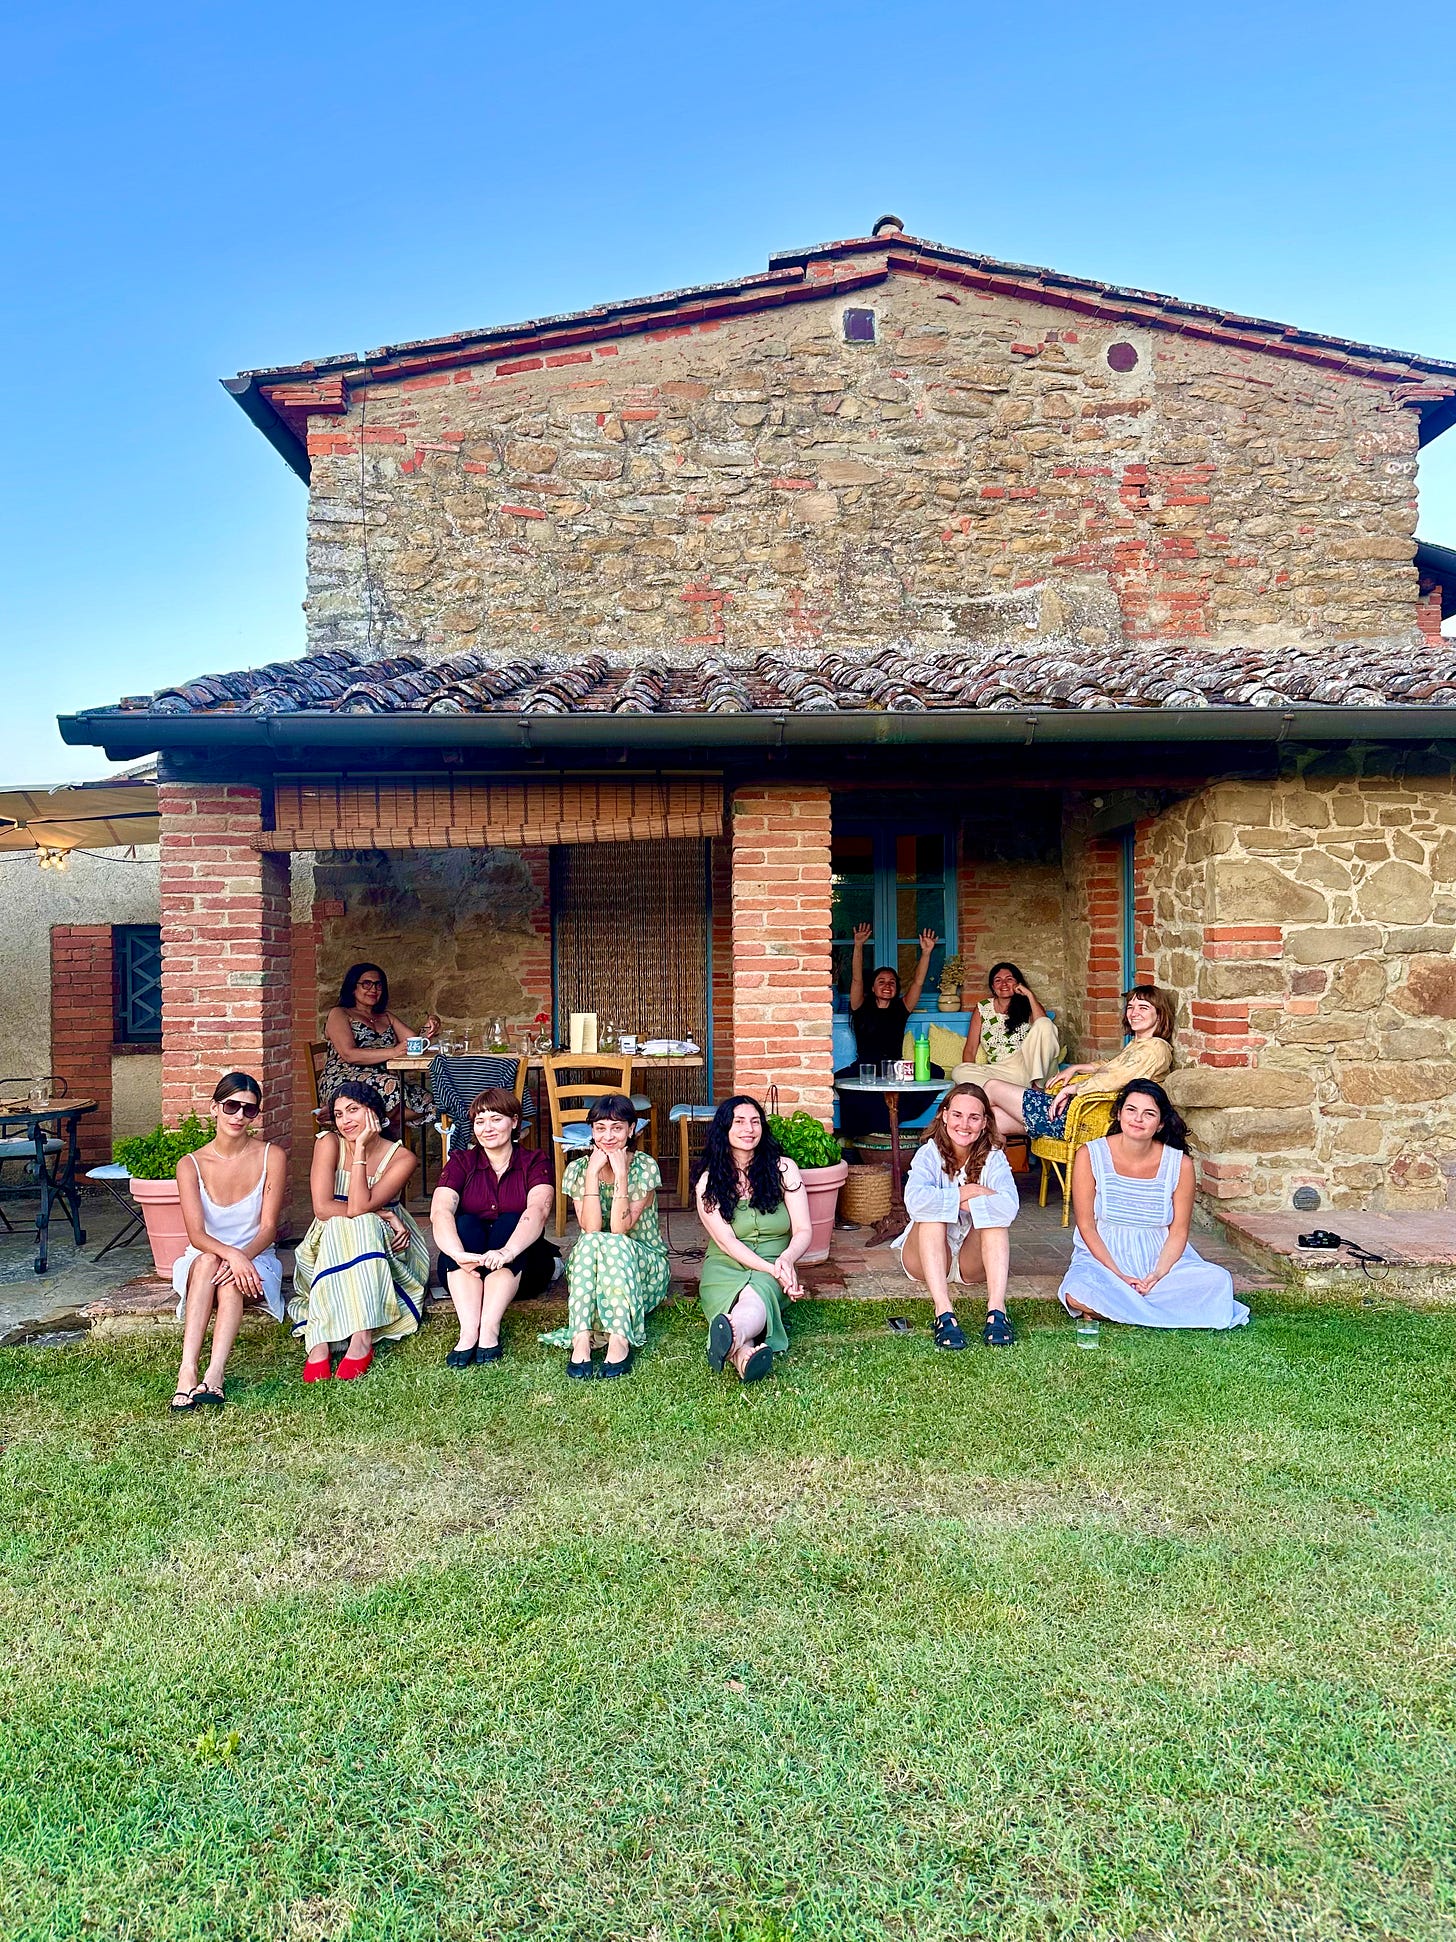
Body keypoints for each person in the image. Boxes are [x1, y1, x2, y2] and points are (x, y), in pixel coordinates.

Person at [1059, 1080, 1249, 1330]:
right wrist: (1119, 1275)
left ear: (1160, 1123)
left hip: (1159, 1259)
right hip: (1104, 1256)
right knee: (1077, 1291)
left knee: (1218, 1281)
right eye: (1131, 1110)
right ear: (1118, 1113)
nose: (1138, 1119)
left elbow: (1179, 1231)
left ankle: (1116, 1308)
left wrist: (1157, 1276)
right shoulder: (1090, 1154)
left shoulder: (1180, 1164)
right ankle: (1148, 1307)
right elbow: (1086, 1225)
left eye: (1149, 1113)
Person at [288, 1080, 429, 1382]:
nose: (345, 1121)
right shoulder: (328, 1142)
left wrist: (361, 1149)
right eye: (339, 1114)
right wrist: (382, 1213)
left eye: (353, 1110)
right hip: (328, 1237)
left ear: (375, 1113)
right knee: (347, 1221)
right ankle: (320, 1341)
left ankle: (360, 1337)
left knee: (360, 1221)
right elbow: (323, 1208)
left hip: (385, 1243)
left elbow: (358, 1206)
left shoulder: (402, 1158)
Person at [168, 1073, 287, 1411]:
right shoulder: (190, 1164)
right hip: (204, 1258)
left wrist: (240, 1258)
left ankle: (215, 1375)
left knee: (233, 1280)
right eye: (232, 1106)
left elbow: (267, 1229)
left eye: (249, 1110)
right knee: (208, 1261)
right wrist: (231, 1255)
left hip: (256, 1257)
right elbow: (197, 1236)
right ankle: (187, 1372)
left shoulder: (271, 1156)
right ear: (214, 1108)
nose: (238, 1116)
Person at [540, 1094, 670, 1380]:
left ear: (631, 1130)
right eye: (600, 1128)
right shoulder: (577, 1169)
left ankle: (619, 1340)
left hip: (641, 1269)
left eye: (617, 1128)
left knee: (614, 1242)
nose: (608, 1136)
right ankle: (582, 1338)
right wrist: (591, 1175)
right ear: (591, 1131)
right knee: (589, 1240)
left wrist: (621, 1174)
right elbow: (591, 1227)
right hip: (596, 1269)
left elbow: (619, 1230)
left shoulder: (645, 1167)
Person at [429, 1086, 559, 1368]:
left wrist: (508, 1252)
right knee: (464, 1223)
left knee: (510, 1221)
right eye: (480, 1121)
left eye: (496, 1119)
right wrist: (456, 1253)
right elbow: (440, 1210)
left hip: (523, 1266)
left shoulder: (534, 1160)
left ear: (514, 1122)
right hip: (467, 1267)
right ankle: (468, 1332)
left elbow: (538, 1209)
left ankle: (489, 1329)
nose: (487, 1128)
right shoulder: (461, 1161)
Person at [893, 1082, 1021, 1348]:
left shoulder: (994, 1157)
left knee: (995, 1222)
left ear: (985, 1122)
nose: (965, 1124)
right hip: (923, 1259)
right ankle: (944, 1313)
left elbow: (1009, 1206)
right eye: (958, 1115)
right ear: (944, 1115)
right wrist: (971, 1192)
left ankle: (997, 1312)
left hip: (969, 1261)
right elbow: (915, 1202)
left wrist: (955, 1203)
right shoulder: (929, 1154)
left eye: (974, 1117)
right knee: (931, 1216)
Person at [695, 1095, 812, 1383]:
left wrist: (785, 1260)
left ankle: (734, 1343)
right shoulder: (708, 1181)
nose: (749, 1128)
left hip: (775, 1260)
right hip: (725, 1265)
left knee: (754, 1294)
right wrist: (775, 1272)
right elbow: (727, 1243)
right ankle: (741, 1348)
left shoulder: (784, 1169)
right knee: (748, 1293)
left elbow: (803, 1231)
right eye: (739, 1122)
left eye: (755, 1121)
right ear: (724, 1129)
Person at [981, 984, 1178, 1145]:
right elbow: (1113, 1066)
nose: (1134, 1013)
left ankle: (956, 1168)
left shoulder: (1155, 1049)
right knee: (992, 1120)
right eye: (1131, 1007)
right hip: (1079, 1114)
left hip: (1082, 1117)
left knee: (991, 1087)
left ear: (1159, 1015)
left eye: (1143, 1008)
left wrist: (1071, 1089)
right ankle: (987, 1178)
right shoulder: (1139, 1045)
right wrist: (1076, 1068)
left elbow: (1115, 1078)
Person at [837, 923, 939, 1138]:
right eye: (881, 981)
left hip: (894, 1069)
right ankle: (868, 1135)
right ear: (872, 987)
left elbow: (919, 982)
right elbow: (856, 979)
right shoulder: (860, 1007)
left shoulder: (901, 1009)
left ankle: (893, 1121)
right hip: (865, 1069)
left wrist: (927, 952)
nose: (887, 985)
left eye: (892, 982)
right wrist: (858, 946)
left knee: (935, 1072)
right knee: (847, 1087)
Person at [318, 962, 439, 1129]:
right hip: (345, 1077)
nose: (373, 989)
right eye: (366, 984)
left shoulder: (386, 1016)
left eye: (378, 985)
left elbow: (413, 1043)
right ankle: (368, 1128)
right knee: (393, 1087)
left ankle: (361, 1121)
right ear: (353, 987)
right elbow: (349, 1054)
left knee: (433, 1102)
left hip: (382, 1079)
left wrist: (430, 1026)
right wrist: (393, 1051)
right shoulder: (340, 1013)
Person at [953, 961, 1059, 1088]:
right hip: (999, 1072)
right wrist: (968, 1080)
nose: (1004, 984)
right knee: (959, 1071)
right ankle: (1008, 1092)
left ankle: (1034, 1089)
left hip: (1027, 1067)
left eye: (1009, 979)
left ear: (1018, 983)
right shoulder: (983, 1008)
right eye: (998, 980)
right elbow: (970, 1049)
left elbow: (1045, 1029)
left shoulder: (1029, 1005)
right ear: (992, 986)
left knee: (1045, 1023)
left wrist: (1029, 995)